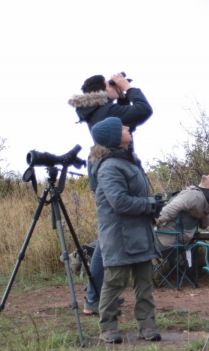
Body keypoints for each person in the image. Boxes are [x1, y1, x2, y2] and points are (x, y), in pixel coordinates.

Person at [68, 73, 153, 315]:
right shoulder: (107, 113)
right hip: (113, 172)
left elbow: (127, 122)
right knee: (107, 241)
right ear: (103, 92)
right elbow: (143, 111)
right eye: (110, 85)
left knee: (108, 237)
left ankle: (97, 294)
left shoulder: (97, 112)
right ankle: (94, 298)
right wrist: (128, 88)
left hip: (105, 171)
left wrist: (121, 96)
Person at [89, 117, 163, 343]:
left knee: (144, 283)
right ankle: (108, 327)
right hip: (119, 236)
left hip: (140, 233)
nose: (128, 128)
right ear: (113, 137)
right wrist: (150, 205)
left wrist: (152, 205)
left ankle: (147, 326)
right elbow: (119, 202)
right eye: (122, 128)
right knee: (114, 283)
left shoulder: (129, 160)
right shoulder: (109, 167)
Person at [155, 173, 209, 248]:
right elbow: (205, 224)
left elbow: (167, 212)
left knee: (142, 236)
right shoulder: (206, 202)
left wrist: (150, 222)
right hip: (181, 243)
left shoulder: (194, 195)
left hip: (163, 240)